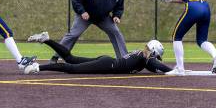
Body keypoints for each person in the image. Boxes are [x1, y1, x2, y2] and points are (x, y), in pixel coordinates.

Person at [50, 0, 128, 63]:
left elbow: (119, 6)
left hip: (103, 18)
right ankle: (56, 57)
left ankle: (124, 59)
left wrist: (116, 16)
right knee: (73, 34)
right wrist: (82, 11)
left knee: (116, 32)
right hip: (85, 16)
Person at [26, 32, 172, 74]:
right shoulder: (145, 56)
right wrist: (174, 71)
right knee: (72, 68)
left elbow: (154, 68)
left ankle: (47, 39)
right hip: (108, 64)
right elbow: (155, 64)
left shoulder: (143, 55)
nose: (156, 58)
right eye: (157, 55)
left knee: (71, 59)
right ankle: (38, 67)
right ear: (153, 51)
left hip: (107, 61)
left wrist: (164, 71)